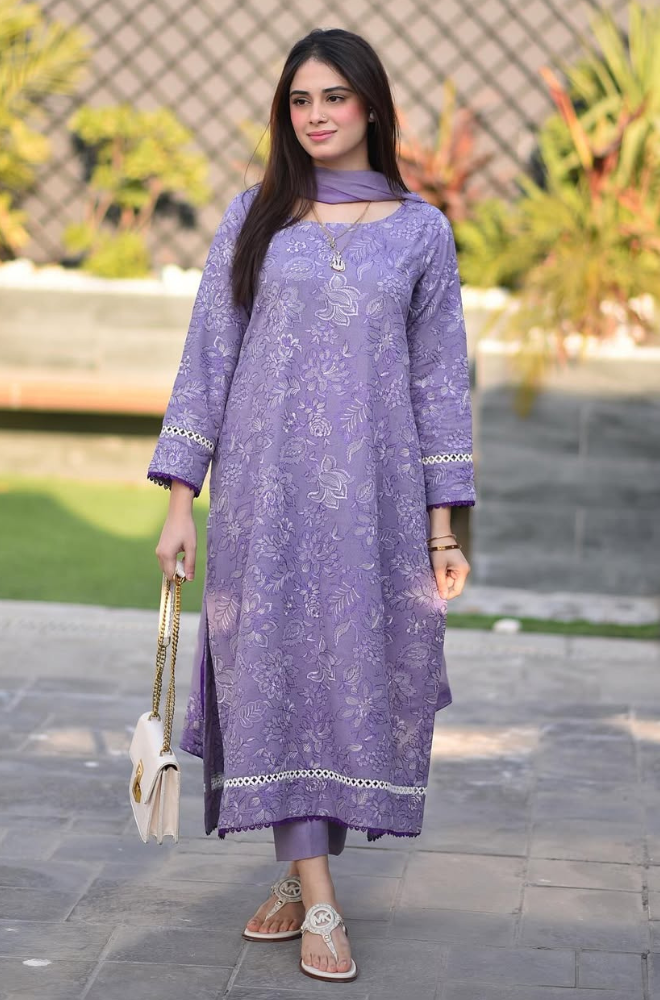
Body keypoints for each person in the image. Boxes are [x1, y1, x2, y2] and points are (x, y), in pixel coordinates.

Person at [148, 26, 475, 985]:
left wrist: (444, 529)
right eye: (300, 100)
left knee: (349, 674)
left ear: (371, 105)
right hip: (265, 495)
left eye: (333, 97)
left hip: (376, 503)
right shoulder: (255, 217)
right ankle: (321, 897)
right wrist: (180, 500)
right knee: (277, 671)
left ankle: (296, 876)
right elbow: (207, 358)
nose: (316, 115)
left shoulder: (421, 233)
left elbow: (439, 383)